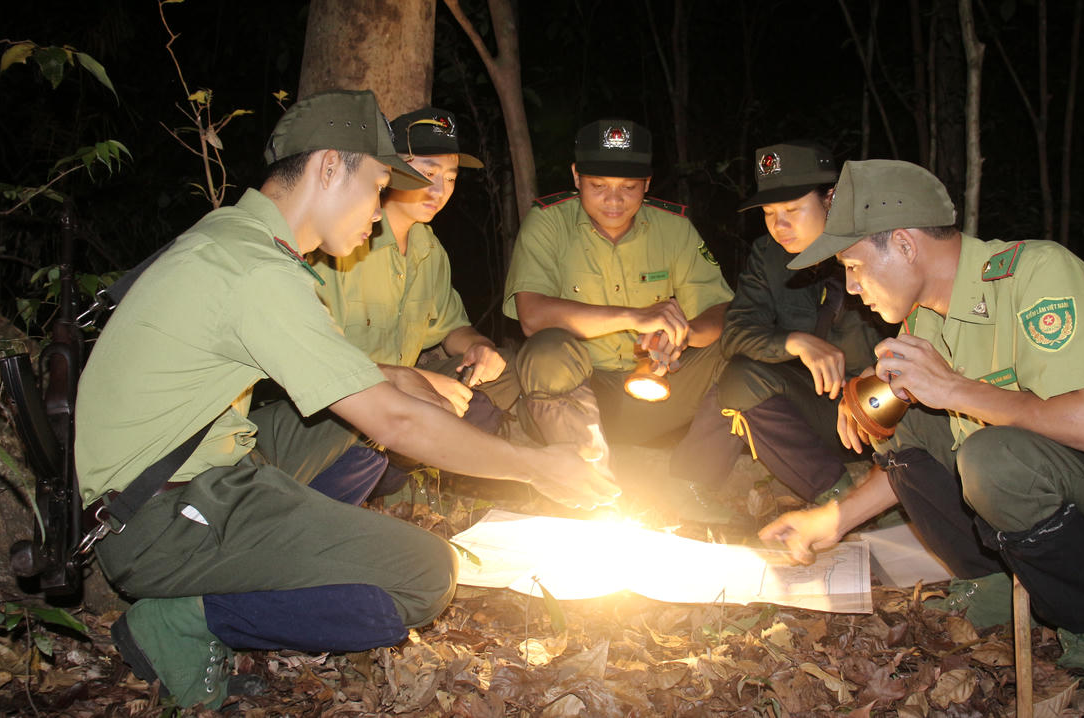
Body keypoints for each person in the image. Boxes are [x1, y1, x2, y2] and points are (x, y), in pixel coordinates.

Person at [74, 90, 618, 709]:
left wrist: (404, 378)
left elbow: (351, 382)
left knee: (366, 420)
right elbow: (392, 419)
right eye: (377, 185)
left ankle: (284, 549)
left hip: (189, 470)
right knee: (426, 575)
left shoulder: (234, 236)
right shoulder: (259, 271)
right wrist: (541, 467)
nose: (380, 210)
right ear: (329, 166)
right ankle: (186, 617)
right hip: (158, 518)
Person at [759, 159, 1084, 693]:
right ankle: (991, 584)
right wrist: (831, 519)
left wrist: (955, 389)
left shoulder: (1038, 272)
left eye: (855, 266)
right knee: (911, 424)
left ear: (906, 245)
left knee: (994, 456)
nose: (852, 286)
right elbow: (920, 445)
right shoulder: (925, 320)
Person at [503, 118, 732, 471]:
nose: (614, 199)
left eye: (629, 186)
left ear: (647, 184)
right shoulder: (549, 223)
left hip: (656, 386)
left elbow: (719, 307)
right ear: (576, 177)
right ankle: (582, 475)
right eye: (598, 185)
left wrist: (682, 335)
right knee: (545, 353)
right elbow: (532, 315)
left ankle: (694, 480)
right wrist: (635, 316)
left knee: (738, 345)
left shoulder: (674, 228)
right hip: (578, 392)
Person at [309, 106, 517, 493]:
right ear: (388, 170)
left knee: (499, 381)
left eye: (450, 178)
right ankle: (380, 474)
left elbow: (451, 325)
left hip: (411, 398)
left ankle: (411, 471)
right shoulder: (342, 242)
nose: (440, 190)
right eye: (427, 171)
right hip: (344, 408)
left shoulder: (428, 248)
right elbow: (316, 362)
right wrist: (421, 380)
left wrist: (479, 347)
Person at [671, 142, 887, 503]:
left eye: (793, 209)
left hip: (873, 413)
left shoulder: (875, 250)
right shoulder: (769, 255)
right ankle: (835, 495)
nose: (779, 225)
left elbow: (917, 347)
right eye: (769, 212)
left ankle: (874, 500)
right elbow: (737, 332)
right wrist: (797, 342)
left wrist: (863, 389)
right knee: (739, 375)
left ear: (830, 199)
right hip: (809, 411)